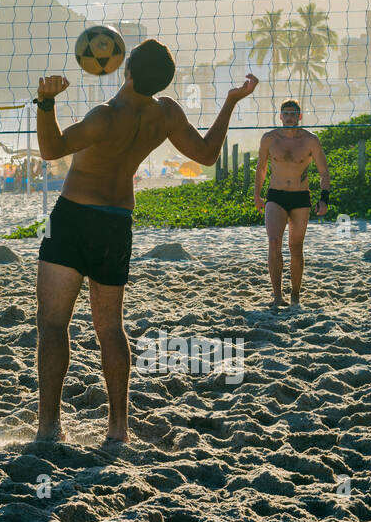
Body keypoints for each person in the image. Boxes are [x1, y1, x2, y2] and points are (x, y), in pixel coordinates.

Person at [33, 39, 258, 443]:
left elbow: (50, 150)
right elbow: (207, 154)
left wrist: (46, 103)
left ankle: (49, 429)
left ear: (127, 71)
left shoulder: (104, 117)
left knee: (52, 326)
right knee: (111, 329)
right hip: (116, 223)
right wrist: (230, 102)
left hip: (74, 218)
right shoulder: (167, 114)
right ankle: (118, 429)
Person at [253, 99, 330, 308]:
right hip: (276, 196)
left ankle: (295, 296)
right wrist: (257, 195)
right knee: (273, 242)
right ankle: (277, 296)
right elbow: (261, 168)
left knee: (296, 247)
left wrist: (324, 199)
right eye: (285, 114)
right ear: (280, 116)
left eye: (293, 114)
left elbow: (324, 171)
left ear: (299, 116)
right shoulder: (270, 138)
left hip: (300, 198)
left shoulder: (310, 140)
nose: (289, 117)